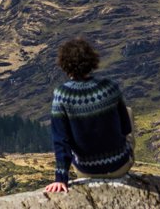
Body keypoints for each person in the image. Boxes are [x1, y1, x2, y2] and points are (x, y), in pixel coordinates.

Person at [44, 38, 135, 193]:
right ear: (92, 60)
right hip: (119, 166)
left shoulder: (62, 94)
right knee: (128, 111)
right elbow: (126, 128)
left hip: (86, 170)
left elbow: (61, 140)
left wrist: (60, 178)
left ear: (64, 65)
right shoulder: (109, 87)